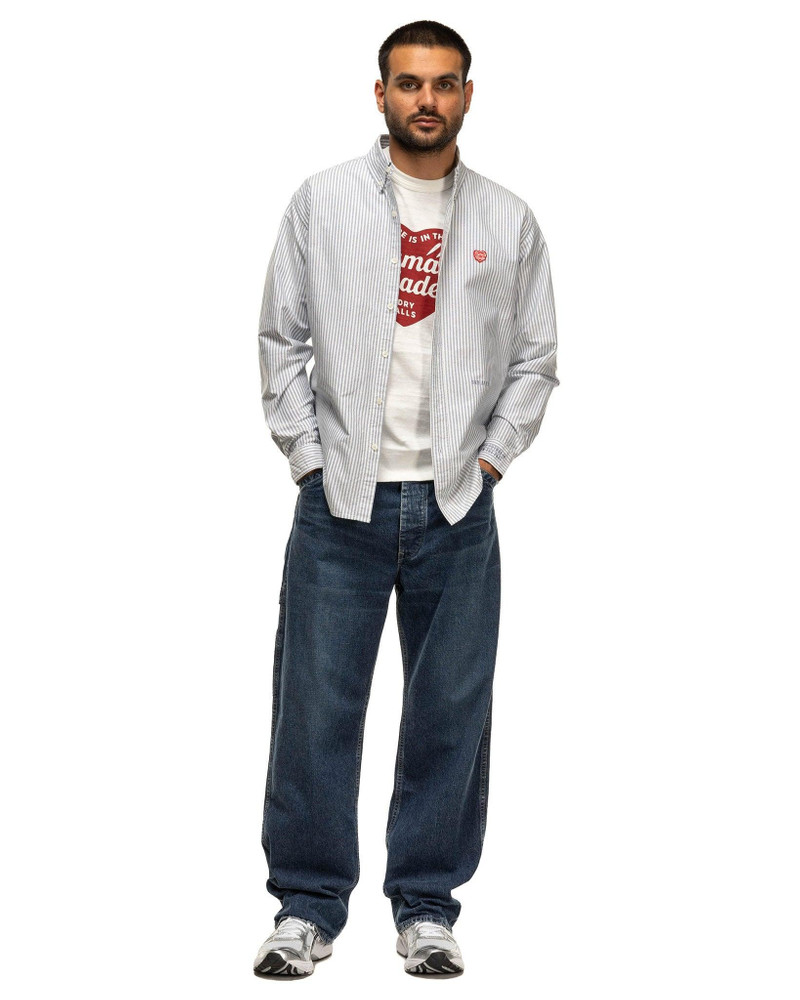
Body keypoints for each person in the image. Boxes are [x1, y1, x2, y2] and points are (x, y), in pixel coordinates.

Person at [253, 19, 559, 979]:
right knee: (315, 712)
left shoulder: (509, 219)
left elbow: (537, 360)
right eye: (410, 82)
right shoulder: (322, 202)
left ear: (468, 95)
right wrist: (309, 460)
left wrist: (491, 463)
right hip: (339, 505)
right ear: (380, 93)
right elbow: (280, 341)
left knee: (449, 714)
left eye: (444, 83)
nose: (427, 99)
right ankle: (306, 909)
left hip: (456, 508)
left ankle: (426, 907)